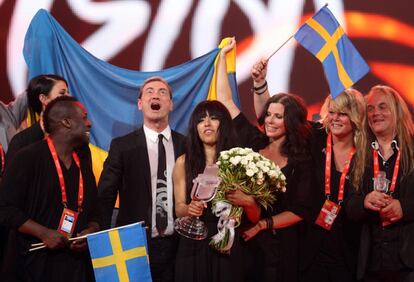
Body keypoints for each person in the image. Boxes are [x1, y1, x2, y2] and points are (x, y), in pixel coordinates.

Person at [217, 38, 314, 282]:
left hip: (283, 248)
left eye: (277, 116)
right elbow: (225, 100)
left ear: (290, 121)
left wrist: (263, 224)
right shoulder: (254, 143)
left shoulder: (301, 160)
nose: (269, 120)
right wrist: (221, 58)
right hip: (247, 244)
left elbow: (301, 210)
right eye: (268, 114)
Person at [0, 96, 100, 282]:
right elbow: (5, 209)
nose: (89, 123)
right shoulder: (27, 157)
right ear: (66, 122)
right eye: (84, 117)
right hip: (33, 266)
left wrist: (91, 230)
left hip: (75, 267)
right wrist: (43, 233)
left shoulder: (83, 157)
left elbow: (94, 208)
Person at [98, 76, 186, 282]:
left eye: (163, 92)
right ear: (140, 104)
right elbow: (105, 196)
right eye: (149, 91)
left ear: (171, 105)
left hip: (179, 246)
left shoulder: (187, 145)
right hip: (134, 245)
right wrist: (102, 238)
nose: (156, 95)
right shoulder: (122, 146)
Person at [173, 100, 261, 282]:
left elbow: (254, 216)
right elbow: (178, 208)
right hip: (194, 243)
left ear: (225, 124)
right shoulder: (183, 162)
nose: (207, 123)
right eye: (201, 120)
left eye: (214, 118)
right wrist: (189, 209)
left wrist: (247, 201)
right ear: (195, 127)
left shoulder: (240, 163)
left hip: (227, 241)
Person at [345, 85, 414, 282]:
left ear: (397, 111)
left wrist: (405, 207)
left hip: (408, 265)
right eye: (371, 109)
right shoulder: (360, 156)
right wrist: (364, 201)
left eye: (382, 107)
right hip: (371, 265)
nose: (376, 113)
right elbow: (350, 206)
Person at [300, 90, 365, 282]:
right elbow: (278, 119)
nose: (335, 118)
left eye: (343, 113)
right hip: (311, 249)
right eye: (332, 112)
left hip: (348, 251)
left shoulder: (365, 151)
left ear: (355, 116)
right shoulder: (314, 137)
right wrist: (260, 84)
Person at [6, 74, 69, 165]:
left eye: (68, 92)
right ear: (43, 99)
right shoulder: (21, 142)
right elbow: (13, 178)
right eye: (62, 93)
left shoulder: (74, 137)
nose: (69, 97)